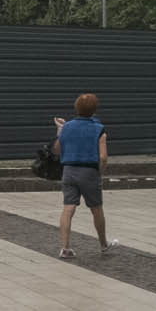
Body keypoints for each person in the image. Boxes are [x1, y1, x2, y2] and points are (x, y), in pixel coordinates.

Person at [52, 94, 116, 259]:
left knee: (68, 208)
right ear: (94, 110)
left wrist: (60, 130)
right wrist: (99, 172)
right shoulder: (99, 129)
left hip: (69, 170)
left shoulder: (66, 127)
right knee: (96, 208)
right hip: (89, 172)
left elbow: (57, 150)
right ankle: (103, 244)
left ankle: (65, 247)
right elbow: (103, 157)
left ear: (76, 108)